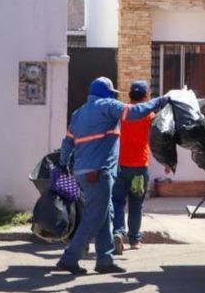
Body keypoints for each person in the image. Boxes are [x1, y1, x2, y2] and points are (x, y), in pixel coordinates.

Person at [55, 77, 168, 275]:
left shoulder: (79, 113)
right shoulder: (106, 105)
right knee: (95, 217)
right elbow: (133, 112)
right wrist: (159, 101)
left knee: (105, 214)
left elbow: (67, 142)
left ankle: (105, 260)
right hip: (98, 172)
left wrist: (63, 164)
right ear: (106, 93)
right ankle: (69, 258)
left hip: (83, 171)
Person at [112, 80, 155, 252]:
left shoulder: (122, 112)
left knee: (117, 202)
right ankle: (135, 240)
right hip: (140, 167)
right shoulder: (149, 115)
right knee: (136, 204)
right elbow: (155, 138)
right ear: (145, 96)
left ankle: (118, 233)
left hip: (120, 166)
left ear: (129, 95)